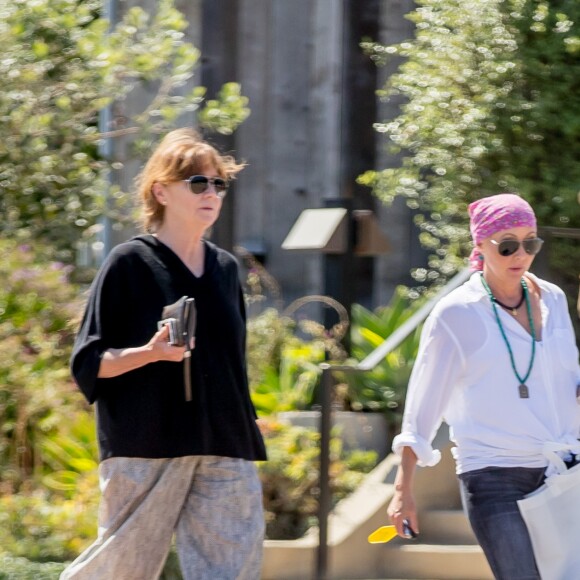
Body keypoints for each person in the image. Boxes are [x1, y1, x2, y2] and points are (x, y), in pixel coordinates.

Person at [61, 128, 267, 580]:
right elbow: (88, 364)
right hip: (147, 443)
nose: (211, 193)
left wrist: (248, 419)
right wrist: (149, 354)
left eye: (218, 184)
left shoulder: (227, 269)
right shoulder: (129, 263)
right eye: (198, 183)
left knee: (232, 571)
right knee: (123, 570)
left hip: (226, 443)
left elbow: (233, 362)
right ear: (161, 191)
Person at [387, 193, 580, 579]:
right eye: (507, 245)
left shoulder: (554, 300)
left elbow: (565, 380)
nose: (520, 254)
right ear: (480, 244)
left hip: (563, 471)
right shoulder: (456, 313)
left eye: (531, 243)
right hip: (495, 477)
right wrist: (402, 489)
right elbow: (422, 406)